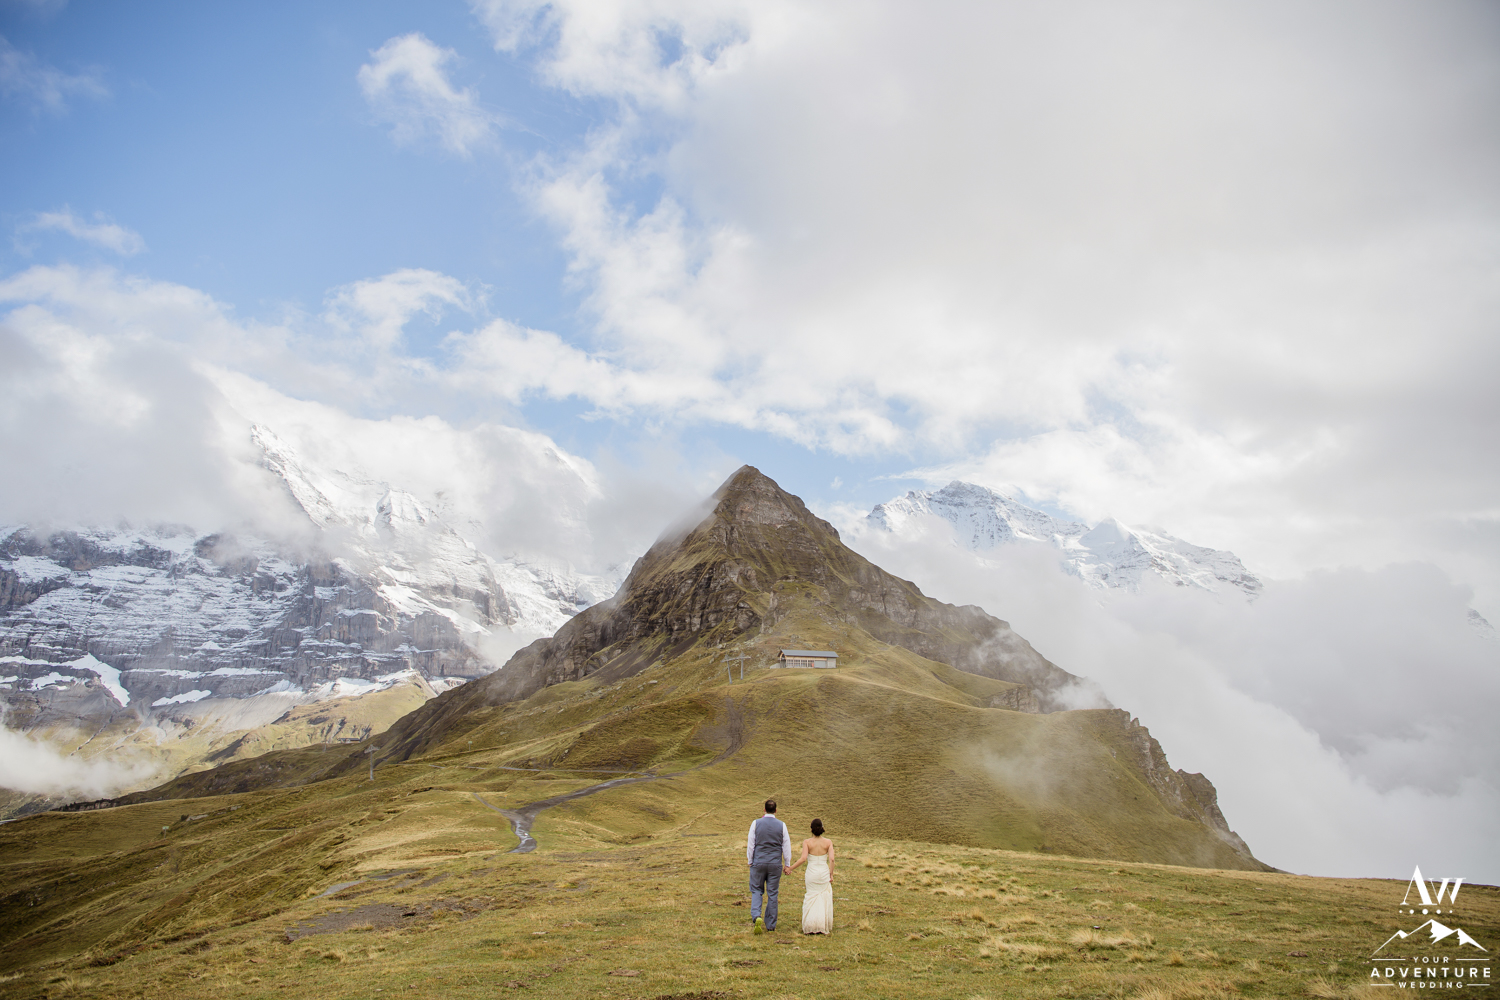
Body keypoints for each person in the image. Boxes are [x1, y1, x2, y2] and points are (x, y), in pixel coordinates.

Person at [746, 798, 791, 933]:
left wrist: (750, 860)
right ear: (776, 811)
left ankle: (756, 915)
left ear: (764, 810)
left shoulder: (755, 823)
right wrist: (787, 864)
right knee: (772, 893)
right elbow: (786, 846)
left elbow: (751, 844)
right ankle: (770, 924)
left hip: (758, 861)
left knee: (756, 890)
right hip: (775, 863)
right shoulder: (782, 825)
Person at [787, 818, 835, 934]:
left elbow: (803, 859)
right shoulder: (828, 842)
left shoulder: (807, 842)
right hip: (823, 872)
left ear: (811, 829)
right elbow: (832, 859)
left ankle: (810, 925)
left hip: (812, 873)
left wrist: (790, 868)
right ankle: (822, 925)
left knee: (811, 896)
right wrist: (831, 873)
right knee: (823, 897)